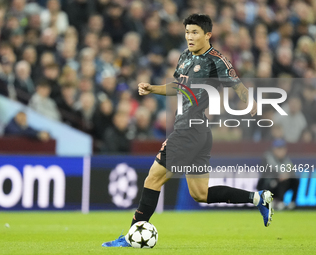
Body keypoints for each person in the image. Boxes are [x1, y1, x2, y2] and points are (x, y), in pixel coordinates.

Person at [102, 14, 274, 247]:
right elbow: (178, 87)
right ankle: (257, 198)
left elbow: (236, 83)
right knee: (200, 193)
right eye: (187, 32)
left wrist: (250, 102)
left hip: (189, 130)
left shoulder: (217, 60)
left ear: (207, 35)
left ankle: (132, 235)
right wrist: (153, 88)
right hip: (198, 131)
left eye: (194, 32)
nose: (189, 37)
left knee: (153, 177)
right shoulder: (185, 56)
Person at [257, 139, 299, 210]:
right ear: (274, 149)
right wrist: (280, 175)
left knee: (294, 180)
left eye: (282, 149)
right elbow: (271, 170)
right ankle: (273, 201)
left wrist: (287, 175)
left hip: (281, 183)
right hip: (267, 185)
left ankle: (292, 202)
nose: (280, 151)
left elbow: (291, 170)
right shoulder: (267, 157)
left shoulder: (286, 159)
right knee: (277, 180)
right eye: (278, 149)